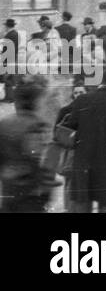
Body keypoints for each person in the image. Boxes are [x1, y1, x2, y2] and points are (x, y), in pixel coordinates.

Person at [61, 76, 106, 213]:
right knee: (103, 201)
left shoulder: (82, 99)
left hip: (82, 157)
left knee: (82, 198)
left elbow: (71, 125)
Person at [0, 81, 57, 212]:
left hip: (8, 192)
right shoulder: (36, 126)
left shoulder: (4, 123)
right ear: (35, 102)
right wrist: (46, 192)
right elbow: (39, 162)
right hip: (30, 196)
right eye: (42, 100)